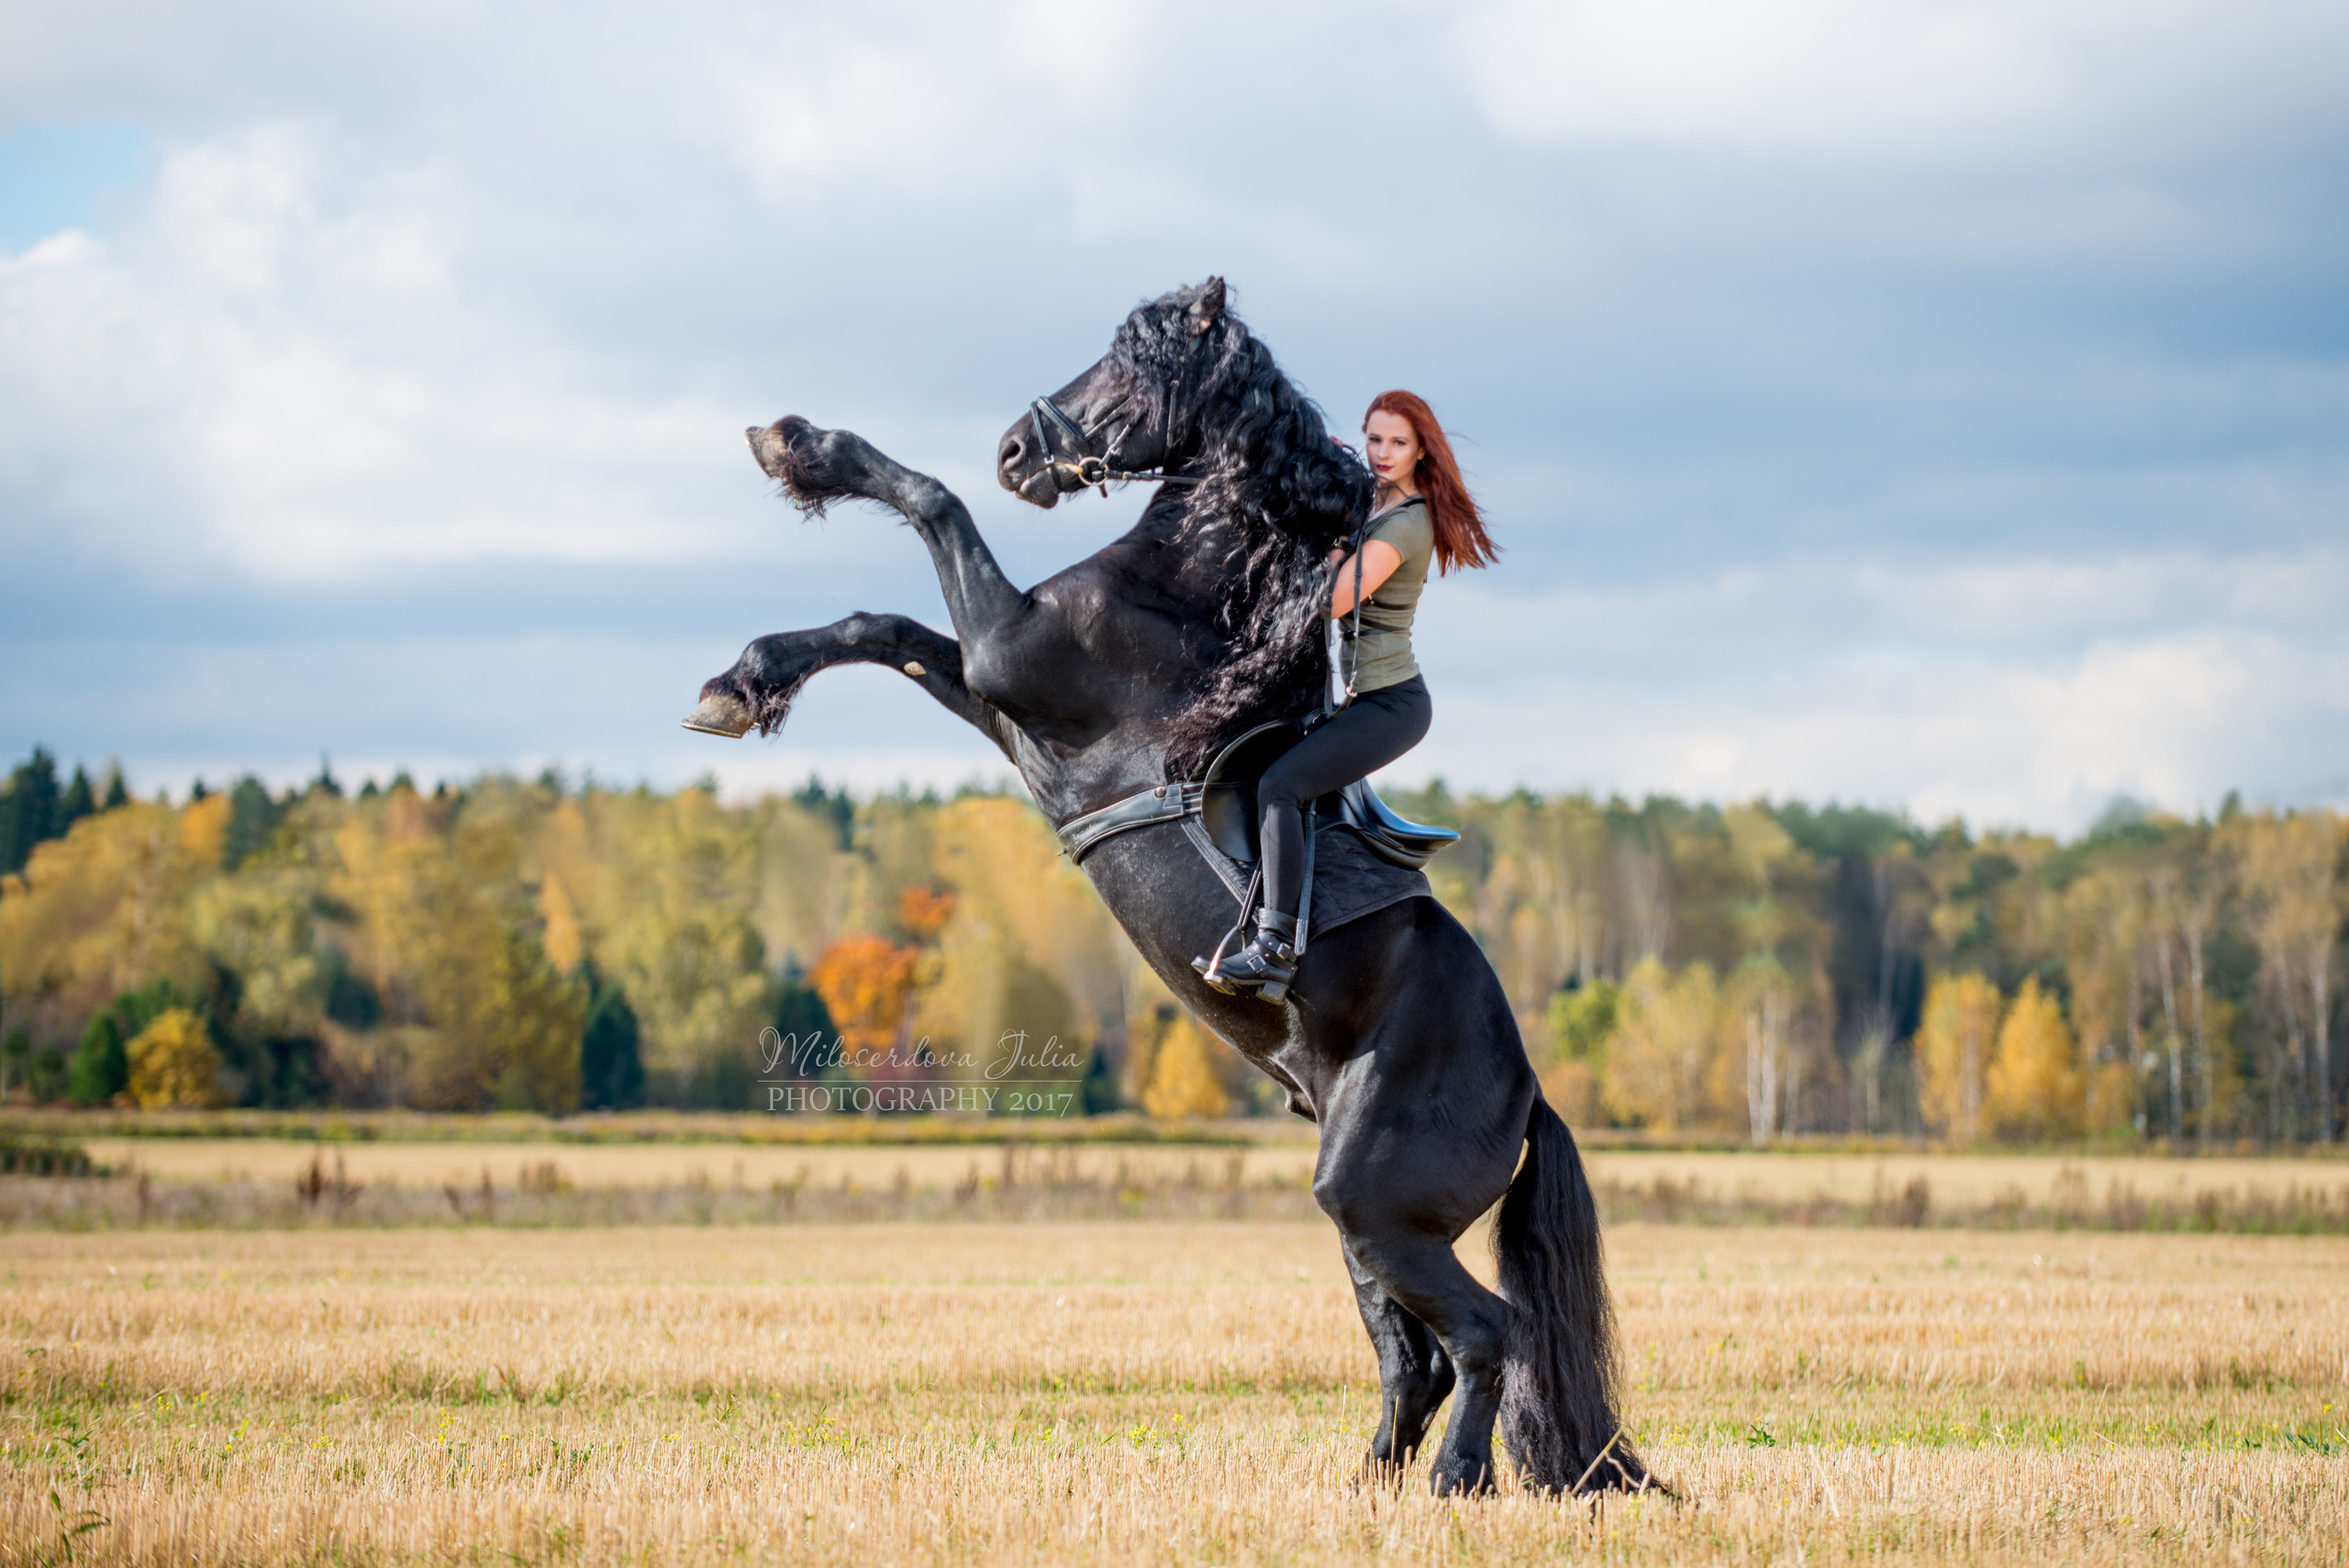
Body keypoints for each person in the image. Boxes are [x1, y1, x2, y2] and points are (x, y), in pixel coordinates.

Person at [1196, 390, 1498, 1002]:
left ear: (1421, 452)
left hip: (1394, 707)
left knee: (1281, 785)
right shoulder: (1374, 499)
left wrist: (1333, 542)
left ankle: (1274, 950)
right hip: (1359, 699)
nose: (1383, 453)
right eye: (1375, 438)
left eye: (1398, 443)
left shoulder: (1410, 522)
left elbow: (1334, 599)